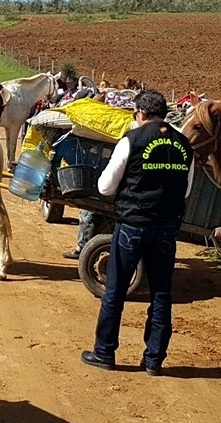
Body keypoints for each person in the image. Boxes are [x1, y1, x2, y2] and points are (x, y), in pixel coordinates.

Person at [81, 89, 194, 376]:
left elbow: (105, 187)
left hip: (132, 226)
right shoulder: (184, 145)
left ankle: (104, 352)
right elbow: (187, 191)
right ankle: (154, 360)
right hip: (166, 230)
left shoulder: (131, 140)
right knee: (161, 294)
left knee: (116, 291)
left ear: (140, 113)